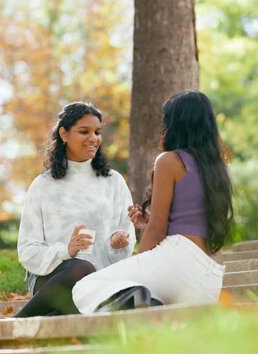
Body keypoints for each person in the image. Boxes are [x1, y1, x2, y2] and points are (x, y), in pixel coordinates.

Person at [72, 90, 233, 314]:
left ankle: (142, 305)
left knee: (85, 286)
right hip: (209, 279)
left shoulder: (169, 160)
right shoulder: (219, 168)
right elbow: (192, 219)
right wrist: (148, 224)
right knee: (137, 294)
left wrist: (139, 259)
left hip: (178, 263)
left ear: (175, 124)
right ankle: (150, 306)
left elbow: (159, 228)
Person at [11, 101, 136, 317]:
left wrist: (117, 243)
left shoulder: (113, 181)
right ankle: (16, 322)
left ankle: (46, 318)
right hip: (53, 277)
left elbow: (126, 234)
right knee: (81, 268)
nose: (93, 138)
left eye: (97, 132)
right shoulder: (43, 185)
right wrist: (65, 251)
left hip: (100, 280)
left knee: (111, 290)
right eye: (84, 131)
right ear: (64, 134)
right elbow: (27, 250)